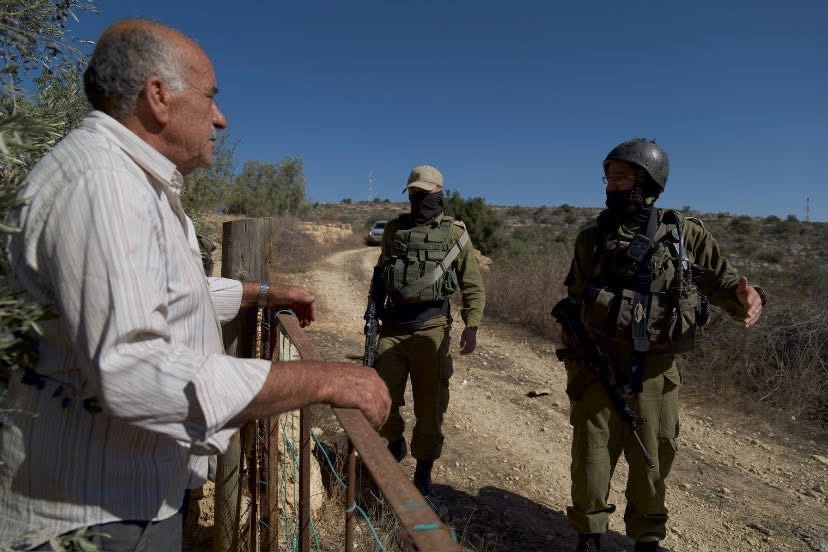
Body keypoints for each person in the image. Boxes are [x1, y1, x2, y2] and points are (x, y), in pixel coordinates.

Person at [0, 19, 390, 551]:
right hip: (96, 517)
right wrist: (323, 380)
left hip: (122, 499)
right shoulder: (104, 185)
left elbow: (165, 295)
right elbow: (134, 367)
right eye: (210, 97)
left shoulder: (134, 182)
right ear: (158, 97)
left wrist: (263, 295)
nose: (221, 118)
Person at [558, 138, 766, 552]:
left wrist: (747, 297)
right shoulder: (591, 238)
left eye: (621, 177)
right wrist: (575, 363)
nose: (610, 185)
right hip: (597, 367)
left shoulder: (684, 235)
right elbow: (574, 302)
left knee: (653, 460)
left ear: (646, 181)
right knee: (591, 460)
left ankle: (647, 539)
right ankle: (589, 534)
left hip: (656, 373)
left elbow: (724, 281)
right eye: (608, 177)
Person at [370, 165, 485, 497]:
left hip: (433, 327)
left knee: (430, 404)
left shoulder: (454, 234)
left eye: (426, 194)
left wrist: (472, 325)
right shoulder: (394, 231)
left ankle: (424, 469)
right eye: (414, 194)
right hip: (393, 325)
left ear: (440, 195)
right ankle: (394, 441)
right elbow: (382, 273)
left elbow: (472, 285)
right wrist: (373, 311)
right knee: (381, 397)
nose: (419, 200)